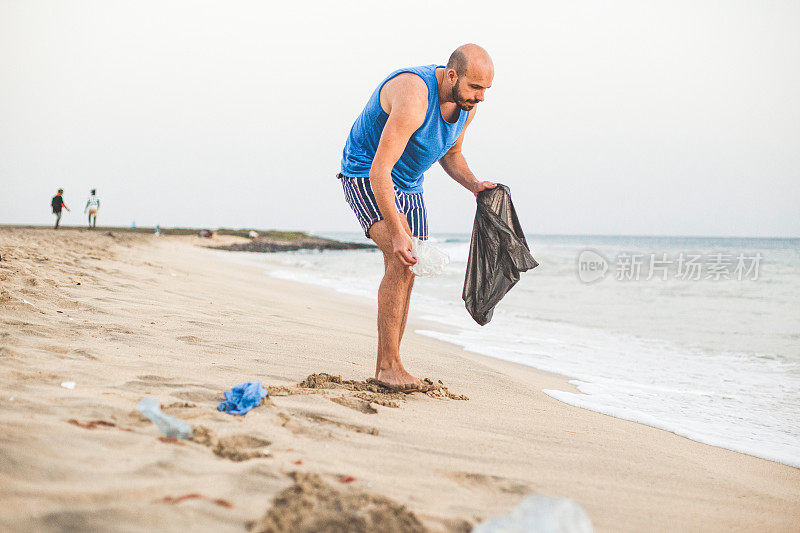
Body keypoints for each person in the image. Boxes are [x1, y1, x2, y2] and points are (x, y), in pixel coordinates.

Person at [338, 44, 497, 391]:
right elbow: (380, 169)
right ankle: (388, 367)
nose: (481, 97)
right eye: (475, 87)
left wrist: (473, 184)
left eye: (486, 89)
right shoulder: (414, 95)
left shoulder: (467, 106)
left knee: (411, 266)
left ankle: (391, 363)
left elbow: (451, 152)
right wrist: (396, 230)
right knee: (399, 259)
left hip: (409, 184)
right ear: (452, 75)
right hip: (367, 171)